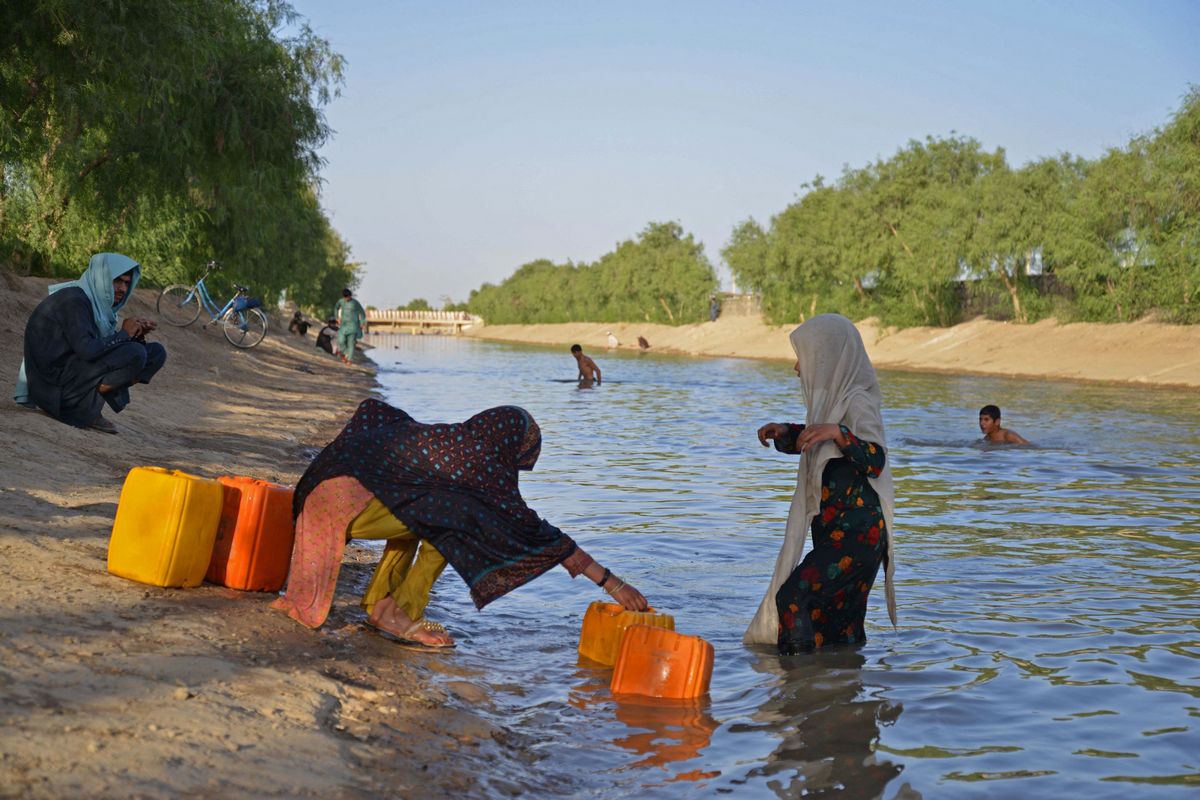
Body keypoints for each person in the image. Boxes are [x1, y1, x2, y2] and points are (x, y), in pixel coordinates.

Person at [272, 400, 648, 648]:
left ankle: (379, 604)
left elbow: (373, 418)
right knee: (456, 519)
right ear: (509, 445)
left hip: (317, 497)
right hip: (340, 507)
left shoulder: (451, 443)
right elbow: (531, 528)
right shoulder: (477, 461)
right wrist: (611, 582)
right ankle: (398, 614)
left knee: (423, 504)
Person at [745, 314, 895, 654]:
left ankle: (794, 690)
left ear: (827, 356)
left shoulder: (858, 400)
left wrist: (839, 434)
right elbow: (818, 440)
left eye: (805, 356)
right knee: (839, 627)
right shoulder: (834, 403)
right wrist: (787, 433)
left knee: (793, 597)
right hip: (834, 535)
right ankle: (835, 692)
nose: (798, 367)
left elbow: (875, 459)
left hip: (858, 539)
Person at [13, 253, 166, 434]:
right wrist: (124, 334)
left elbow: (96, 346)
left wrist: (135, 335)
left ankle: (88, 402)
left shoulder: (93, 304)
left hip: (72, 372)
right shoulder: (74, 301)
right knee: (135, 353)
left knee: (154, 352)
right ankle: (81, 406)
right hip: (53, 387)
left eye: (127, 283)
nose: (122, 289)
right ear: (101, 278)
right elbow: (87, 350)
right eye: (117, 281)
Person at [334, 288, 366, 364]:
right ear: (343, 296)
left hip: (353, 326)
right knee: (340, 341)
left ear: (350, 296)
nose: (347, 299)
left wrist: (362, 323)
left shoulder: (355, 303)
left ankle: (349, 360)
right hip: (343, 326)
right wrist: (337, 317)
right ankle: (346, 353)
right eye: (345, 297)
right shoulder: (341, 301)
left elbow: (362, 313)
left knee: (351, 343)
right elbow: (336, 308)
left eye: (348, 297)